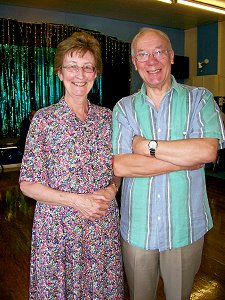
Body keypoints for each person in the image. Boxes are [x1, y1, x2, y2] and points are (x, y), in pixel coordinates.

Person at [112, 27, 225, 300]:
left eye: (159, 51)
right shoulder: (124, 108)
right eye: (143, 54)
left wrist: (146, 147)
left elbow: (208, 151)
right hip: (138, 229)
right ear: (135, 62)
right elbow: (121, 166)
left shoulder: (200, 98)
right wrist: (185, 158)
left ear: (172, 56)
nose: (152, 61)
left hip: (185, 227)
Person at [19, 31, 124, 299]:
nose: (80, 75)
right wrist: (77, 201)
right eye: (72, 67)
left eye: (87, 67)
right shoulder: (44, 120)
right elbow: (28, 184)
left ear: (95, 74)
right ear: (60, 73)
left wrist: (112, 190)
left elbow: (117, 170)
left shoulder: (108, 119)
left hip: (101, 228)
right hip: (58, 231)